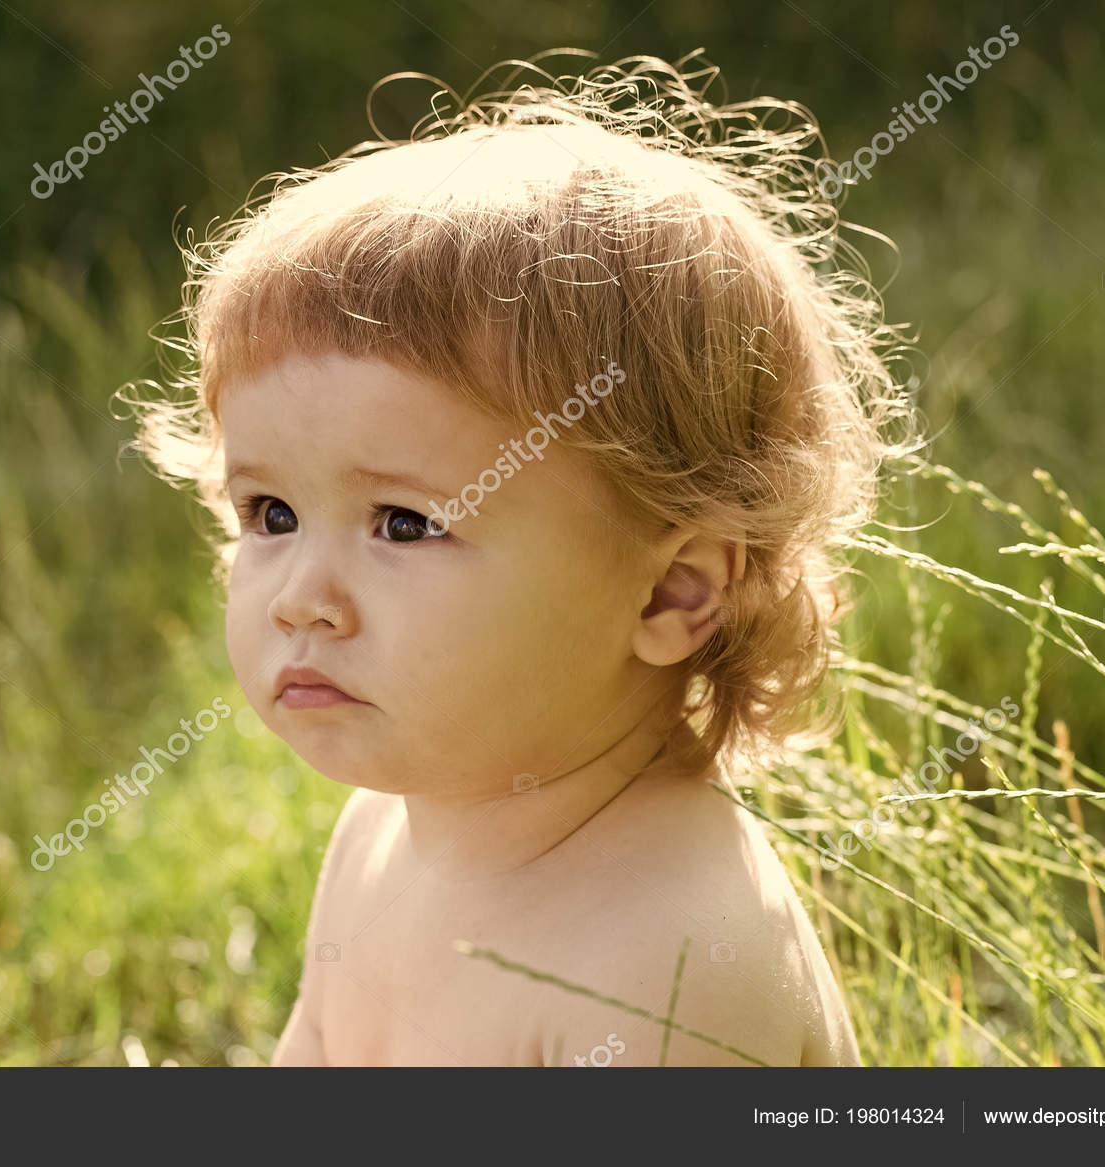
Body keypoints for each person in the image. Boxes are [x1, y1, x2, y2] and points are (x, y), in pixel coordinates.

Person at [123, 51, 918, 1065]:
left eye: (403, 524)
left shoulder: (669, 955)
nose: (302, 602)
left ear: (675, 589)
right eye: (271, 512)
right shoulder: (379, 837)